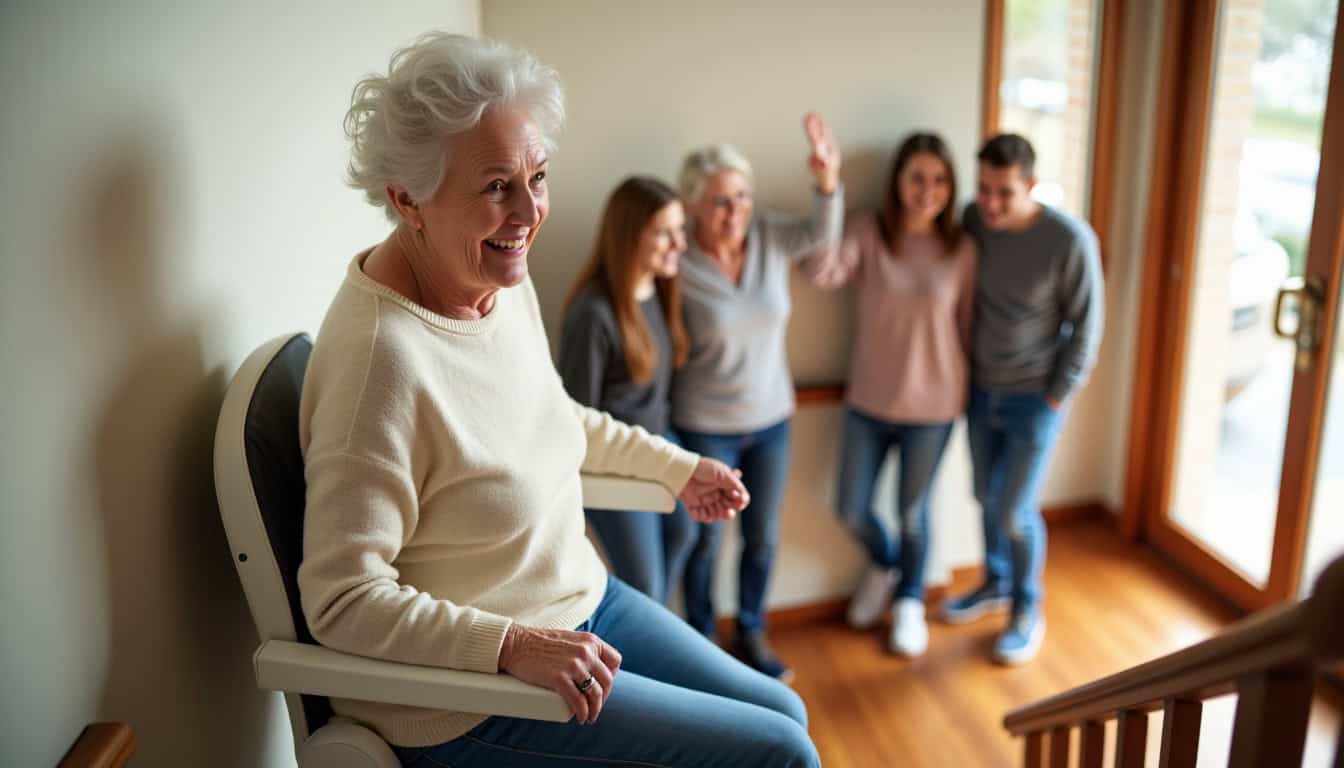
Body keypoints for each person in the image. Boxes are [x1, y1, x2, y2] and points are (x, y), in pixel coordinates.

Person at [298, 32, 820, 767]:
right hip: (464, 697)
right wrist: (510, 645)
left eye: (537, 176)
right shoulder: (380, 361)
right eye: (495, 187)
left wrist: (676, 467)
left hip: (580, 602)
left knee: (784, 708)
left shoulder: (496, 283)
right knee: (780, 753)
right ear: (406, 198)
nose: (528, 212)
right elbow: (341, 601)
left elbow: (552, 413)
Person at [674, 114, 843, 682]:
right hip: (704, 425)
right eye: (721, 201)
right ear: (694, 206)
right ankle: (700, 644)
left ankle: (750, 631)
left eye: (742, 197)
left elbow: (822, 235)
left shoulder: (768, 235)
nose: (736, 210)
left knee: (761, 539)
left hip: (771, 422)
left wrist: (826, 181)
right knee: (703, 543)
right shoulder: (678, 260)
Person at [803, 132, 976, 657]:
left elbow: (968, 327)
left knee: (912, 513)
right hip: (870, 401)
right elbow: (820, 271)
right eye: (917, 178)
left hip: (935, 406)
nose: (928, 190)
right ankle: (885, 564)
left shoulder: (962, 248)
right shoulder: (869, 232)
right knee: (851, 508)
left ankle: (907, 601)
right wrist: (827, 187)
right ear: (898, 182)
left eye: (940, 179)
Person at [938, 133, 1104, 666]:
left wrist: (1056, 396)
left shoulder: (1068, 240)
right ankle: (995, 583)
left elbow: (1087, 326)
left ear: (1031, 185)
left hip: (1035, 398)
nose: (989, 203)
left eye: (1004, 193)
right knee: (986, 498)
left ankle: (1026, 607)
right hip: (979, 390)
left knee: (1014, 510)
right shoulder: (973, 222)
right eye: (983, 189)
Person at [557, 176, 696, 606]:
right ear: (629, 236)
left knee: (687, 533)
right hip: (617, 461)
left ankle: (659, 634)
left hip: (659, 442)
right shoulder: (594, 315)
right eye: (664, 233)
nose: (680, 244)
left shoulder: (660, 289)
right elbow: (577, 417)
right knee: (646, 586)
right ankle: (640, 655)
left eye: (680, 229)